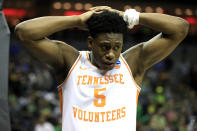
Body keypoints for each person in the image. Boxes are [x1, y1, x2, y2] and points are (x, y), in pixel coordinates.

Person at [15, 6, 189, 131]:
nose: (111, 54)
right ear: (91, 42)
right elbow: (24, 32)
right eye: (105, 47)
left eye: (117, 47)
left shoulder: (133, 63)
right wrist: (77, 20)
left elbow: (180, 28)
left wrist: (132, 17)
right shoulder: (69, 61)